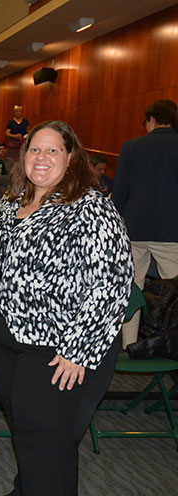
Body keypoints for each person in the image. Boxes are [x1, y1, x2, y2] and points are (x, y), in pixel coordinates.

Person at [0, 120, 133, 496]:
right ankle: (26, 491)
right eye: (34, 150)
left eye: (52, 151)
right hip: (6, 339)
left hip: (59, 347)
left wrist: (79, 350)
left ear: (71, 157)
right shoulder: (11, 202)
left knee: (46, 440)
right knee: (26, 425)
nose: (40, 158)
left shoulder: (89, 206)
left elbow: (112, 282)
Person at [113, 99, 178, 347]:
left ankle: (129, 346)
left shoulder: (131, 146)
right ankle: (171, 346)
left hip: (135, 229)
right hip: (172, 231)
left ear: (151, 119)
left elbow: (120, 192)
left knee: (132, 288)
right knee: (175, 292)